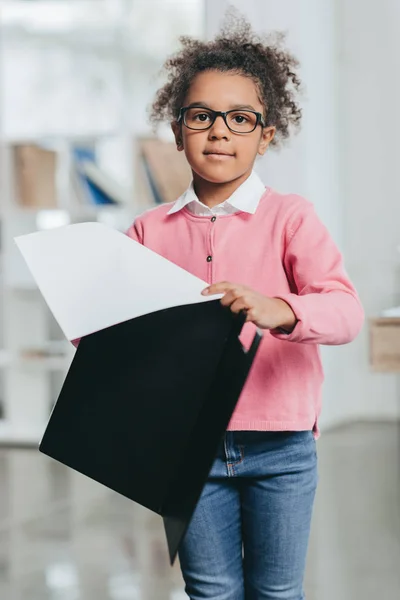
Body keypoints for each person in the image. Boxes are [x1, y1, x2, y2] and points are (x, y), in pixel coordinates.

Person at [126, 15, 364, 600]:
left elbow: (345, 312)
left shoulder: (292, 218)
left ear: (267, 134)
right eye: (201, 116)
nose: (219, 133)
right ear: (178, 130)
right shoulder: (146, 230)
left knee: (278, 593)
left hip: (280, 446)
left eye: (241, 119)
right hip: (186, 445)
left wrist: (279, 308)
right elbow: (107, 335)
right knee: (210, 592)